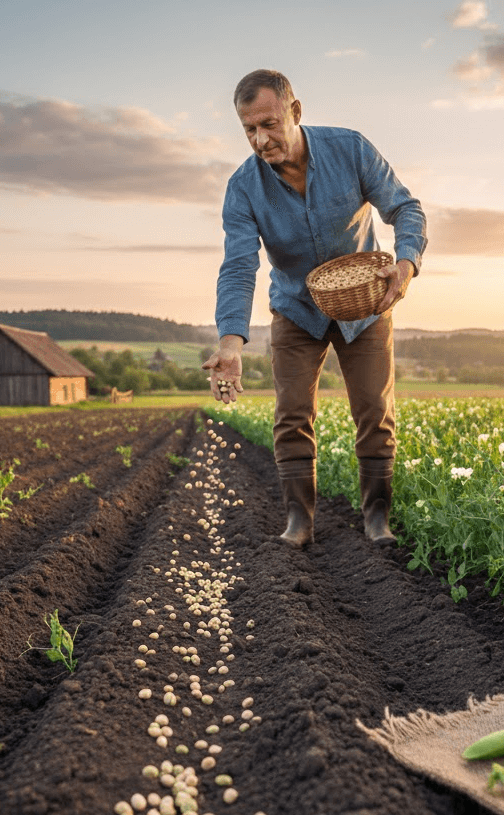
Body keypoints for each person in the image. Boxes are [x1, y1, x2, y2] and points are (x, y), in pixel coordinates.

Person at [203, 68, 427, 548]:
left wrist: (406, 263)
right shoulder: (243, 187)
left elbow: (405, 208)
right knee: (291, 414)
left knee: (375, 411)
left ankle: (378, 520)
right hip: (296, 310)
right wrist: (230, 342)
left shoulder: (350, 149)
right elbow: (239, 266)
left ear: (295, 111)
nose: (260, 140)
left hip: (365, 305)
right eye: (248, 129)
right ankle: (298, 523)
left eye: (269, 124)